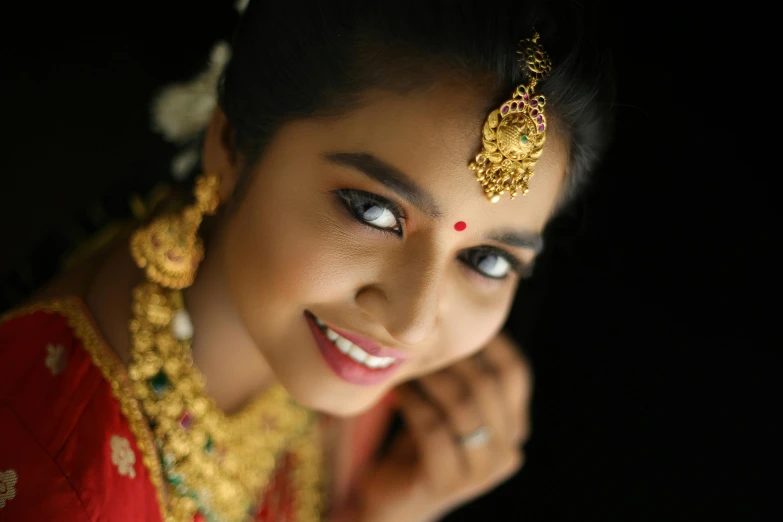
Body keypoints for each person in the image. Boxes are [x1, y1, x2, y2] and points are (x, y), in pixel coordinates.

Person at [0, 0, 614, 520]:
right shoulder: (64, 487)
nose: (411, 321)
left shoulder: (345, 368)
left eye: (485, 258)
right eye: (374, 212)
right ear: (232, 141)